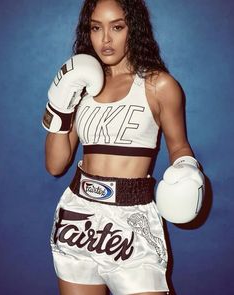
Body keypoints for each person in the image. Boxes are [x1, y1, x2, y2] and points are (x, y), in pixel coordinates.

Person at [42, 0, 204, 294]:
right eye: (96, 28)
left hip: (132, 220)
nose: (105, 39)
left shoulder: (159, 85)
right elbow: (55, 165)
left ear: (134, 29)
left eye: (117, 27)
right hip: (78, 216)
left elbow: (179, 147)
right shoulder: (83, 86)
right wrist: (60, 106)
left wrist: (186, 168)